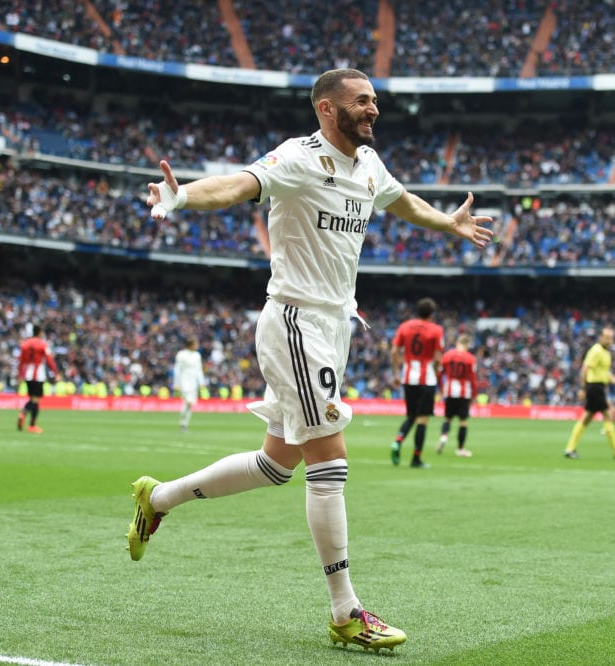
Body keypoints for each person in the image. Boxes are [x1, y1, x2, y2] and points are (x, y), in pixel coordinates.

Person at [128, 68, 492, 652]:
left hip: (335, 325)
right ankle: (346, 611)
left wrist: (446, 221)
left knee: (277, 464)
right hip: (295, 322)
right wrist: (184, 195)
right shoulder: (298, 157)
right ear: (327, 109)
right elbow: (239, 184)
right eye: (361, 101)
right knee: (331, 460)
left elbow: (400, 200)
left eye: (374, 100)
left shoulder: (368, 165)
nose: (373, 109)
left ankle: (158, 498)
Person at [390, 297, 444, 468]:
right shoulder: (436, 329)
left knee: (411, 416)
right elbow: (437, 358)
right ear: (432, 314)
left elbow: (394, 352)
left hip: (408, 378)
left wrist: (396, 374)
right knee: (422, 420)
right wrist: (436, 375)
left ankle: (398, 440)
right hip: (426, 378)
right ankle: (416, 459)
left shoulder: (404, 326)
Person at [563, 327, 615, 460]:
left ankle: (570, 448)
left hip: (598, 387)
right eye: (606, 337)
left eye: (611, 338)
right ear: (601, 338)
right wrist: (582, 388)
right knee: (607, 415)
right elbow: (585, 368)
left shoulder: (606, 353)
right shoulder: (596, 350)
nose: (609, 340)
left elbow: (605, 373)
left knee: (586, 418)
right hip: (594, 387)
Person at [437, 332, 477, 457]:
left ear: (457, 343)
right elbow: (473, 379)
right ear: (467, 345)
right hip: (464, 392)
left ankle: (443, 437)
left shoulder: (447, 355)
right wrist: (474, 395)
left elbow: (439, 374)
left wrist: (441, 389)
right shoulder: (471, 358)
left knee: (447, 418)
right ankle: (460, 449)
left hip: (449, 390)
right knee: (463, 421)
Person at [17, 324, 60, 434]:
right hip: (38, 374)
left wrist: (20, 375)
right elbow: (49, 359)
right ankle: (30, 423)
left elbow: (21, 361)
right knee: (36, 401)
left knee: (32, 399)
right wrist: (56, 373)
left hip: (27, 373)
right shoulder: (42, 344)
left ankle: (24, 415)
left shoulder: (25, 344)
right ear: (40, 332)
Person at [173, 337, 207, 432]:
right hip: (183, 380)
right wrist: (176, 383)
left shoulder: (197, 355)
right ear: (190, 344)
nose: (197, 345)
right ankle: (183, 423)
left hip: (193, 382)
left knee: (190, 403)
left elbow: (199, 370)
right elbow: (177, 369)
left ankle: (184, 423)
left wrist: (201, 382)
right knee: (187, 401)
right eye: (195, 344)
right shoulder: (181, 354)